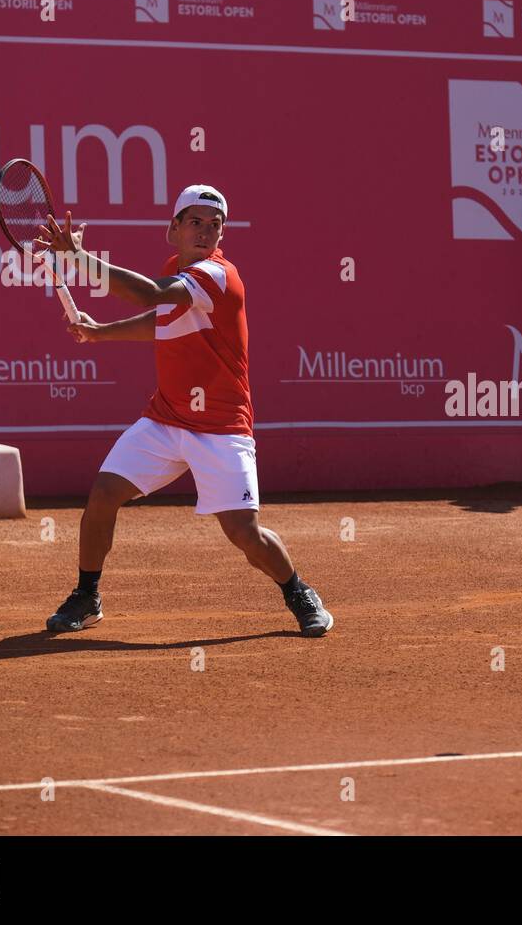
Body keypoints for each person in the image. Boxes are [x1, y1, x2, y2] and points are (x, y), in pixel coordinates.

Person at [33, 185, 333, 637]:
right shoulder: (178, 269)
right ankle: (86, 596)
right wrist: (101, 333)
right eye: (195, 222)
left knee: (245, 534)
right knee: (103, 495)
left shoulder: (217, 276)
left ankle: (299, 592)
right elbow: (164, 321)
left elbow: (151, 296)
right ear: (172, 229)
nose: (206, 232)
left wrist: (80, 258)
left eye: (215, 226)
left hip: (221, 428)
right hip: (166, 419)